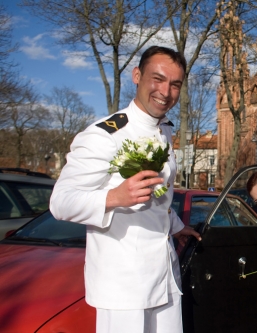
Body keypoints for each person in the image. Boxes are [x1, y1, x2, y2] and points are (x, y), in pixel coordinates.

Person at [50, 46, 201, 333]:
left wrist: (176, 226)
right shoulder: (105, 134)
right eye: (157, 79)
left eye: (175, 84)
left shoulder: (164, 130)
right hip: (123, 285)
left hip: (163, 275)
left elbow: (157, 199)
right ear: (137, 76)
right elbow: (61, 202)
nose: (165, 91)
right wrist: (113, 197)